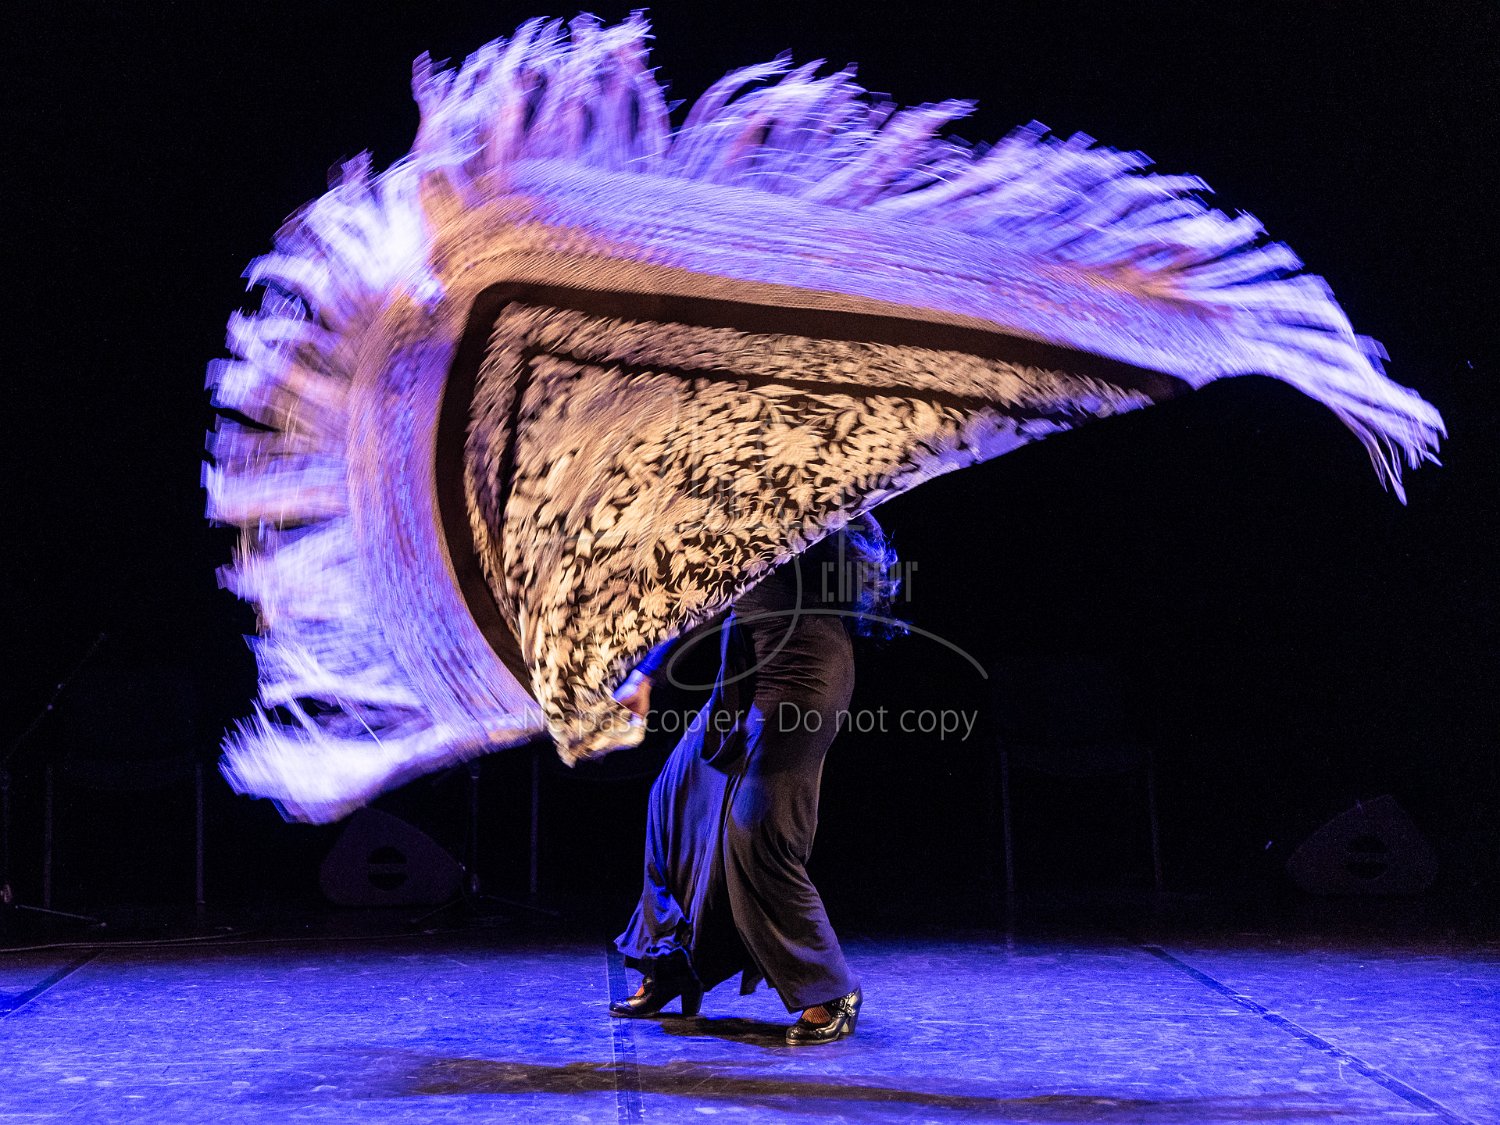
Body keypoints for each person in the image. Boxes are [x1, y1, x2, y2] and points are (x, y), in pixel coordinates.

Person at [611, 512, 902, 1045]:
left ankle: (831, 989)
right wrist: (646, 675)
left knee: (755, 832)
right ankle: (672, 961)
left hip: (803, 675)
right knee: (672, 799)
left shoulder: (794, 504)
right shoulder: (731, 510)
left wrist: (647, 673)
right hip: (748, 667)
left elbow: (706, 596)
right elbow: (701, 597)